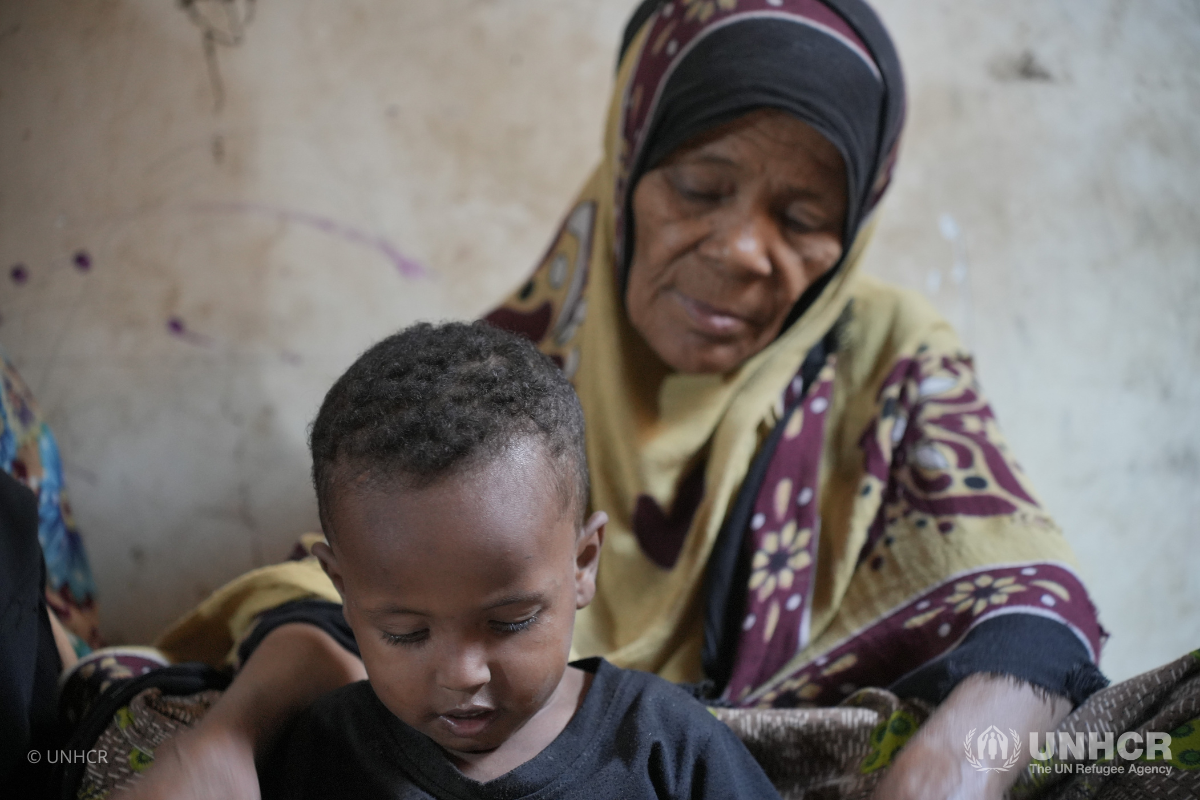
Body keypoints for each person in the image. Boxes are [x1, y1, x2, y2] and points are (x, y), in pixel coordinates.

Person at [110, 2, 1121, 799]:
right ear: (630, 166)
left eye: (805, 214)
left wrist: (953, 764)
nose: (740, 251)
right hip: (526, 746)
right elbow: (348, 580)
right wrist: (236, 733)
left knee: (1150, 738)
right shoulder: (520, 365)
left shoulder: (889, 352)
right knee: (135, 728)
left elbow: (1030, 596)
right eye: (697, 188)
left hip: (799, 740)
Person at [257, 321, 782, 799]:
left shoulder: (667, 744)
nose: (464, 675)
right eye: (405, 632)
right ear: (341, 588)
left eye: (512, 623)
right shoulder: (325, 750)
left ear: (583, 563)